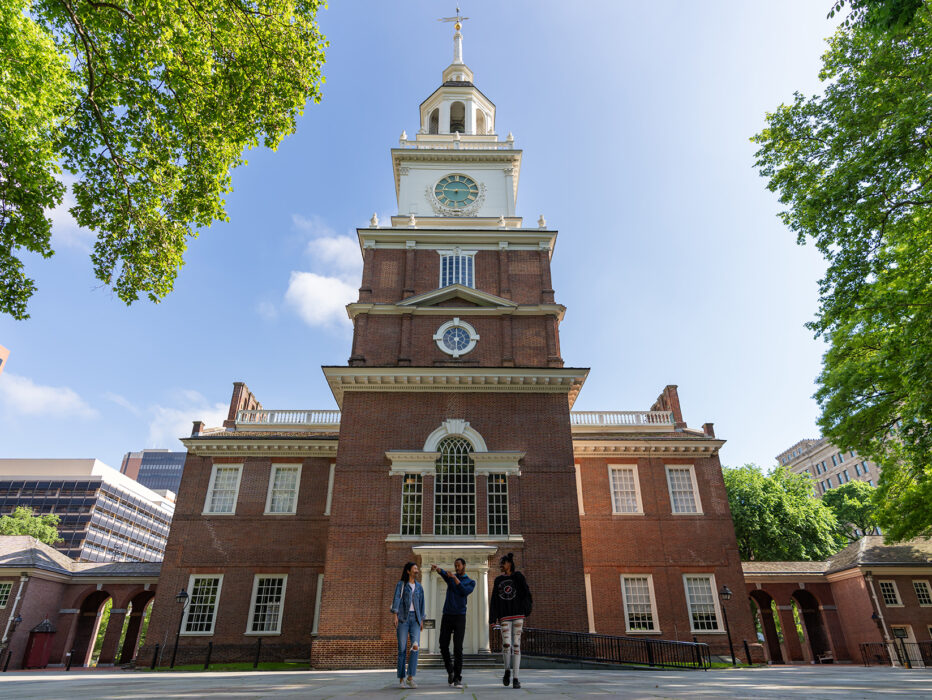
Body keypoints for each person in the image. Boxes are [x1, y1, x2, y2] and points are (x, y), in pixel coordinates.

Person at [489, 552, 532, 689]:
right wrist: (492, 618)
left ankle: (516, 678)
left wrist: (526, 610)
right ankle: (507, 670)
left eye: (503, 562)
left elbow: (526, 593)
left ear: (510, 564)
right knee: (507, 644)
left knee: (516, 645)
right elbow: (494, 600)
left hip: (518, 615)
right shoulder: (498, 580)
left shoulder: (518, 576)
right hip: (504, 616)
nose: (501, 565)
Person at [431, 559, 475, 688]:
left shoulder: (470, 582)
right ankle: (450, 670)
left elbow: (464, 591)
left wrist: (455, 579)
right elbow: (444, 573)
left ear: (464, 566)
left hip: (460, 617)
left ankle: (457, 678)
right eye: (455, 565)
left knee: (458, 648)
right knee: (443, 645)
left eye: (458, 565)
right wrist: (437, 568)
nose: (456, 567)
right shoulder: (450, 578)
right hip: (447, 615)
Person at [391, 561, 425, 689]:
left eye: (417, 568)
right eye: (415, 568)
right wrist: (395, 615)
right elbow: (396, 599)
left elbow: (422, 604)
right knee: (402, 649)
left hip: (415, 620)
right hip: (403, 619)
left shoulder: (419, 587)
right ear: (408, 571)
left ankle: (410, 677)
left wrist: (421, 619)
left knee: (415, 647)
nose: (417, 570)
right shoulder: (401, 584)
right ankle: (401, 679)